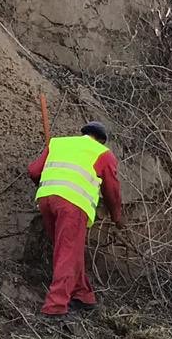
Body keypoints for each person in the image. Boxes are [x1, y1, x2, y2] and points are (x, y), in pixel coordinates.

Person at [27, 121, 124, 318]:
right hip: (73, 205)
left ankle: (83, 295)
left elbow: (34, 171)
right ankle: (55, 307)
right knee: (67, 253)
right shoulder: (103, 154)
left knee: (68, 249)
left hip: (46, 199)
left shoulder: (57, 143)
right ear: (102, 141)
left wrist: (50, 185)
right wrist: (117, 216)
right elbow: (112, 191)